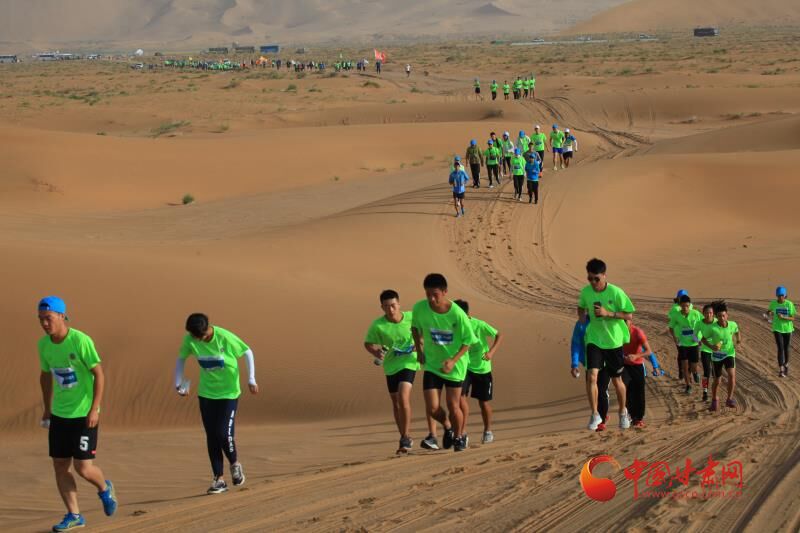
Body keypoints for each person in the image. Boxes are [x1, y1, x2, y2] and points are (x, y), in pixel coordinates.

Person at [38, 296, 118, 532]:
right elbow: (45, 376)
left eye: (48, 318)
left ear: (62, 316)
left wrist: (95, 409)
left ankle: (104, 488)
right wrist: (47, 407)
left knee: (83, 468)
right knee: (60, 466)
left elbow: (99, 375)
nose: (44, 324)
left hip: (84, 415)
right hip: (60, 415)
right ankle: (74, 515)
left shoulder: (80, 340)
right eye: (41, 319)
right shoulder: (43, 345)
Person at [175, 313, 258, 494]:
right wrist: (178, 382)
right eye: (194, 337)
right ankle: (219, 479)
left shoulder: (224, 337)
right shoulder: (190, 339)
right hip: (206, 394)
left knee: (223, 433)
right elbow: (181, 358)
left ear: (206, 330)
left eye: (200, 337)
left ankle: (235, 464)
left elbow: (247, 352)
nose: (197, 340)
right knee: (212, 436)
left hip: (228, 394)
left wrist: (251, 379)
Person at [411, 274, 478, 452]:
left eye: (435, 295)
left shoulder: (457, 314)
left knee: (453, 405)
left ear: (445, 292)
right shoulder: (419, 308)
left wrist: (453, 360)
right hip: (432, 365)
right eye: (428, 295)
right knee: (432, 408)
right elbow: (414, 328)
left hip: (455, 367)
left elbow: (468, 341)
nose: (431, 299)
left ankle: (459, 436)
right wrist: (419, 350)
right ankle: (448, 427)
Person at [577, 258, 635, 431]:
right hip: (594, 339)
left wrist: (608, 313)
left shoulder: (616, 292)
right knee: (592, 376)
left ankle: (623, 412)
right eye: (590, 278)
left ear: (604, 275)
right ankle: (595, 414)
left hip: (613, 341)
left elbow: (629, 315)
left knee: (617, 380)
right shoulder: (586, 292)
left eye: (596, 278)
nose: (593, 282)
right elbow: (580, 306)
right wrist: (581, 315)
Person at [364, 290, 423, 452]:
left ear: (399, 304)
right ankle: (404, 436)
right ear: (381, 307)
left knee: (403, 397)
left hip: (409, 363)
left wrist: (422, 343)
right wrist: (375, 352)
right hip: (390, 366)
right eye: (386, 306)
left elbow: (424, 331)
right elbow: (368, 343)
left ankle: (405, 438)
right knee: (396, 403)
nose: (390, 310)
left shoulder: (412, 317)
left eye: (393, 305)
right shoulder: (378, 325)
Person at [454, 300, 502, 445]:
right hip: (465, 368)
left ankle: (488, 431)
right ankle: (463, 432)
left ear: (465, 314)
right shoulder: (454, 326)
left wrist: (491, 353)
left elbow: (499, 335)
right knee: (460, 398)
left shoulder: (479, 324)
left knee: (484, 403)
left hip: (482, 368)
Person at [622, 320, 662, 428]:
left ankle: (638, 418)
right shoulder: (618, 331)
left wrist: (636, 356)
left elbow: (649, 351)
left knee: (639, 392)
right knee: (624, 390)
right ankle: (629, 416)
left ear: (631, 321)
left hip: (637, 365)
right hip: (624, 365)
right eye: (621, 321)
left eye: (626, 321)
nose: (623, 323)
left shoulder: (637, 332)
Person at [702, 301, 741, 412]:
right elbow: (703, 339)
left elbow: (737, 332)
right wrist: (712, 347)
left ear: (727, 315)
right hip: (717, 357)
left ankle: (729, 399)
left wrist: (738, 340)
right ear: (716, 316)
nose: (721, 318)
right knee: (717, 381)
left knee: (731, 375)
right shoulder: (712, 328)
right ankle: (714, 400)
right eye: (719, 316)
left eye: (723, 315)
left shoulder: (733, 324)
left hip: (729, 354)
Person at [668, 295, 704, 394]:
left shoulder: (696, 313)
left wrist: (700, 337)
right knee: (684, 367)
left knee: (693, 366)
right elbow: (670, 327)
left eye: (687, 306)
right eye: (683, 306)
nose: (685, 308)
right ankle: (688, 385)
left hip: (693, 344)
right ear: (680, 306)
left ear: (690, 305)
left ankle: (695, 372)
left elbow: (703, 323)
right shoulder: (676, 315)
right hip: (682, 344)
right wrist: (675, 339)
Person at [766, 286, 795, 377]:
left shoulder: (789, 304)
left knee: (786, 348)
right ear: (776, 295)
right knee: (780, 348)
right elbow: (768, 312)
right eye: (778, 295)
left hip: (788, 329)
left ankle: (786, 364)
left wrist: (783, 317)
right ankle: (781, 369)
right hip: (777, 328)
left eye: (782, 295)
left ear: (785, 295)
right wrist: (768, 314)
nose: (780, 297)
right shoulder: (773, 303)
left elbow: (792, 317)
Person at [693, 303, 716, 401]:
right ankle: (705, 392)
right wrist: (697, 341)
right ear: (703, 314)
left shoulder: (717, 322)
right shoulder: (699, 323)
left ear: (713, 314)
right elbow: (694, 335)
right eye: (707, 313)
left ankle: (715, 392)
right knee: (706, 371)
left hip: (716, 350)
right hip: (705, 350)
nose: (709, 315)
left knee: (716, 373)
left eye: (710, 313)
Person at [669, 289, 691, 381]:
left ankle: (687, 372)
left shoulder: (690, 306)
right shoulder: (675, 309)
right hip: (679, 336)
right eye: (680, 297)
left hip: (690, 335)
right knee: (682, 354)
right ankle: (682, 372)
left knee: (689, 355)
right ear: (677, 298)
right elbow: (673, 319)